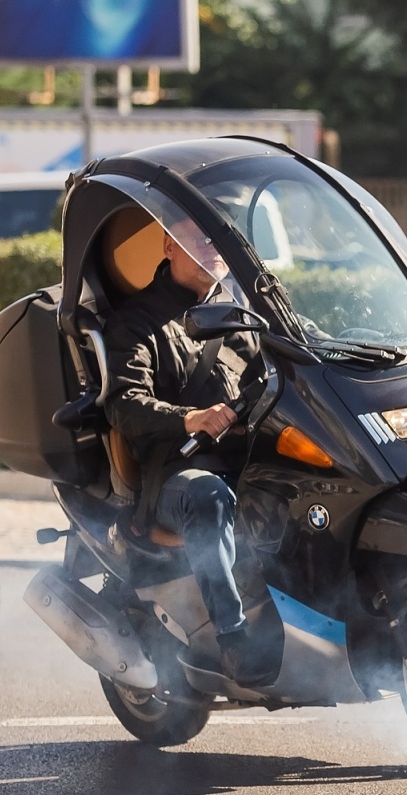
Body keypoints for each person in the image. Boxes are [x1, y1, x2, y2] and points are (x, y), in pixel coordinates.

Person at [103, 220, 276, 684]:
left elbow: (282, 368)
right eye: (197, 237)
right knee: (208, 496)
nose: (211, 247)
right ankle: (233, 639)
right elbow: (124, 403)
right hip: (178, 475)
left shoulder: (243, 314)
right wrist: (190, 418)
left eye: (216, 238)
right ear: (169, 246)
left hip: (248, 461)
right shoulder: (136, 321)